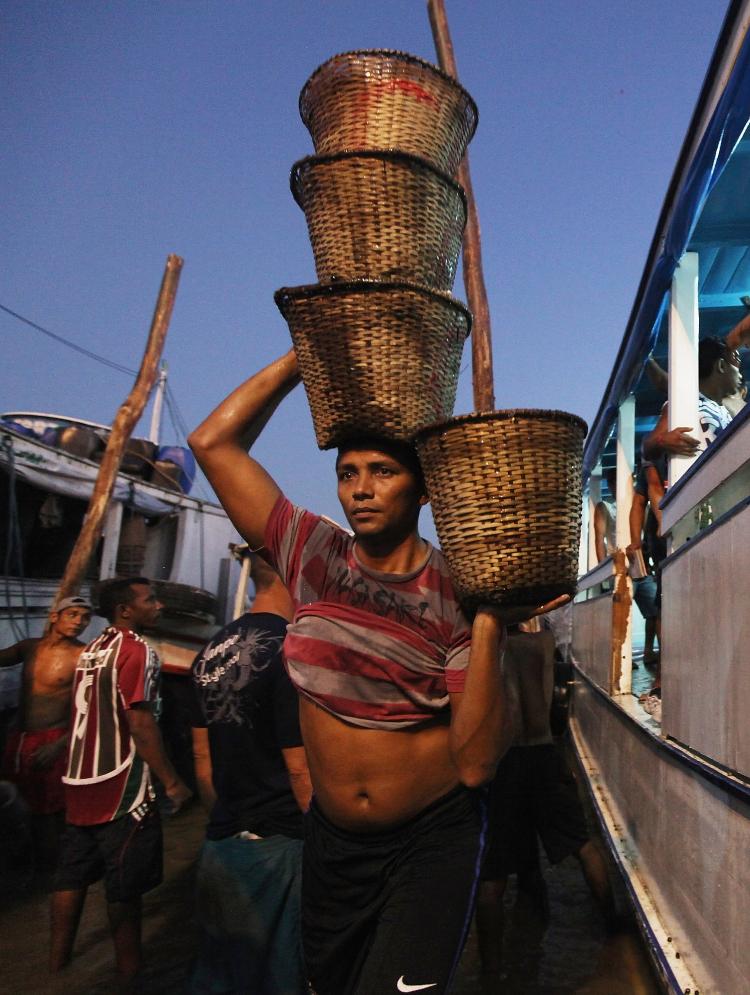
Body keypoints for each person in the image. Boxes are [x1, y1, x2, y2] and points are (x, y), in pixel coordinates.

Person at [188, 349, 568, 995]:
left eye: (382, 471)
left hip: (429, 844)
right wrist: (305, 357)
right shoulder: (312, 553)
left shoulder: (456, 590)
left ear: (422, 487)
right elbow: (212, 440)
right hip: (332, 843)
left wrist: (488, 622)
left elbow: (476, 764)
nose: (360, 488)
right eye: (347, 472)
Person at [49, 577, 192, 985]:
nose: (159, 605)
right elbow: (141, 721)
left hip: (78, 782)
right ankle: (131, 972)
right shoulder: (138, 651)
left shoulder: (90, 651)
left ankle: (56, 966)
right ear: (126, 610)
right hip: (120, 787)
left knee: (71, 875)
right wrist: (171, 781)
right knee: (124, 885)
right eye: (151, 600)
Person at [189, 552, 312, 995]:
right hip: (279, 846)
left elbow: (202, 758)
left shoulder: (207, 653)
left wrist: (227, 818)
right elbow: (299, 769)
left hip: (221, 845)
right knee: (281, 976)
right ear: (292, 580)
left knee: (219, 973)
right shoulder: (292, 647)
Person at [475, 626, 614, 983]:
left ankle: (490, 975)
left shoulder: (487, 646)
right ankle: (616, 937)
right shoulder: (543, 642)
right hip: (543, 751)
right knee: (583, 845)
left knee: (492, 874)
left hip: (505, 762)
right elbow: (555, 705)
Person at [0, 595, 91, 868]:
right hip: (19, 738)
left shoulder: (83, 655)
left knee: (49, 815)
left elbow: (89, 708)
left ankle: (48, 880)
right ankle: (22, 867)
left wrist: (60, 745)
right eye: (72, 614)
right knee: (13, 805)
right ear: (55, 617)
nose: (79, 622)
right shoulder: (30, 648)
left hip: (52, 740)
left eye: (85, 617)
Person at [643, 318, 750, 460]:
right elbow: (648, 447)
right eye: (737, 364)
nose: (741, 374)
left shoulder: (725, 411)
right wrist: (662, 441)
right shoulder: (688, 401)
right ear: (721, 366)